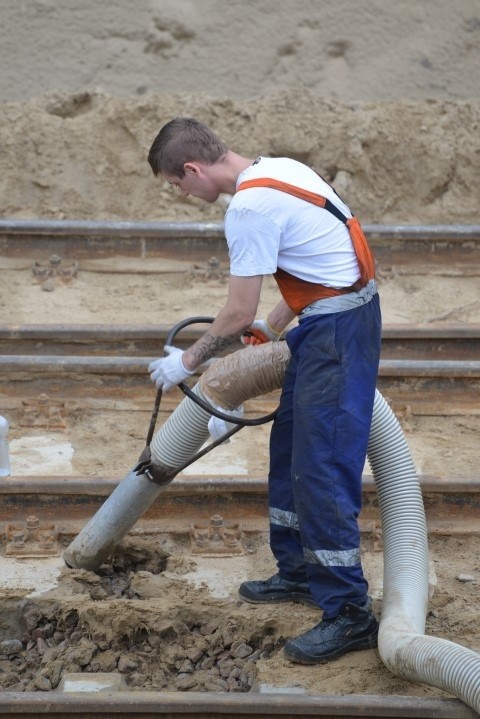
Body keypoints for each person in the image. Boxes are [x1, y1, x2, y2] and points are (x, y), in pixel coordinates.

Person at [147, 117, 382, 665]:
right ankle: (298, 571)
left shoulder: (247, 209)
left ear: (193, 168)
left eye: (177, 185)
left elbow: (236, 311)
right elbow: (314, 270)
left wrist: (185, 361)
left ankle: (350, 612)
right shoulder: (279, 168)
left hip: (337, 334)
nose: (183, 195)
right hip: (327, 322)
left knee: (321, 467)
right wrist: (268, 339)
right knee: (291, 448)